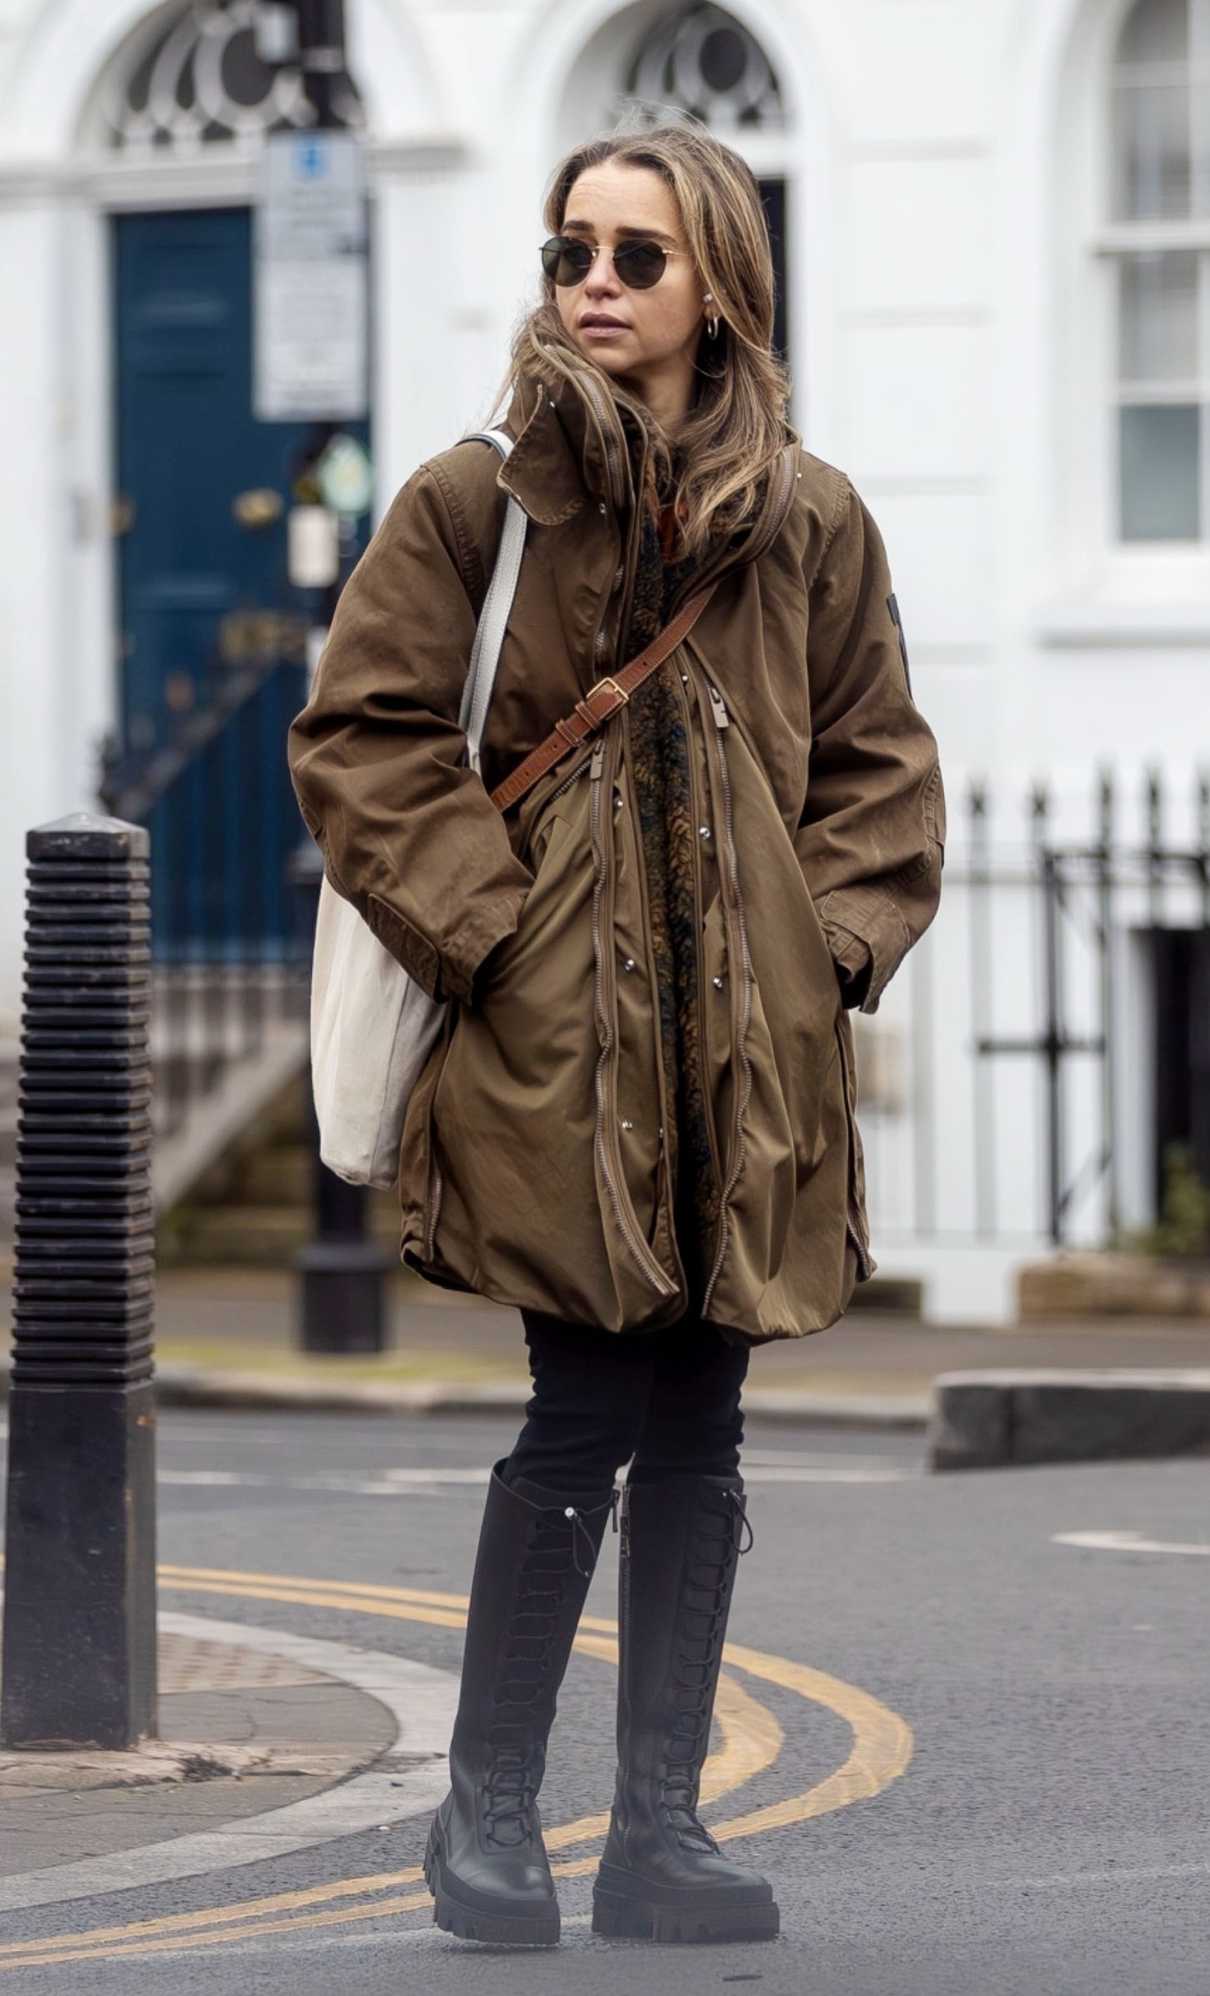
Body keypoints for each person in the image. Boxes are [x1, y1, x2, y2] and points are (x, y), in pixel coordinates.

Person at [287, 120, 944, 1950]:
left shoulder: (808, 517)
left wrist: (827, 953)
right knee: (573, 1417)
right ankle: (487, 1816)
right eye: (571, 247)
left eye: (636, 255)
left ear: (716, 281)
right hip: (548, 1050)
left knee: (706, 1428)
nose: (592, 280)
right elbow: (363, 735)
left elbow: (880, 765)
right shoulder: (477, 501)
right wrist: (496, 937)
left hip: (746, 1057)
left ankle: (659, 1828)